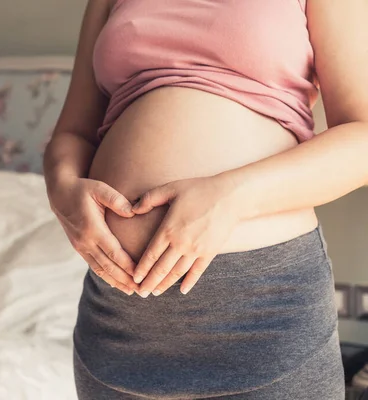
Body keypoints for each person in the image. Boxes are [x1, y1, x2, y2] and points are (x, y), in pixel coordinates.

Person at [43, 0, 367, 399]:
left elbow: (363, 136)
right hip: (119, 323)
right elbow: (72, 133)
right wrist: (63, 193)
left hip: (262, 318)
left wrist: (230, 197)